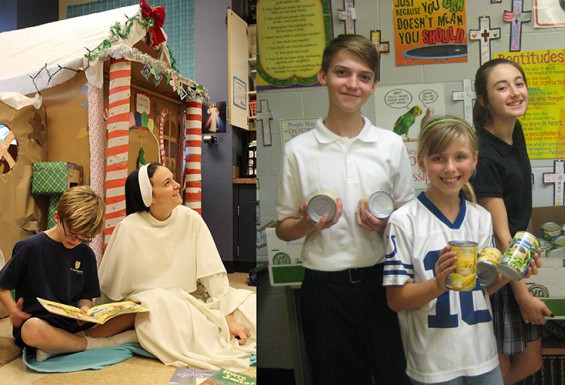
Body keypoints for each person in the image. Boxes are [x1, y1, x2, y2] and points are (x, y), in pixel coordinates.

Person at [274, 34, 414, 385]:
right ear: (323, 76)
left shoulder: (390, 145)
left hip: (382, 283)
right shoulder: (298, 150)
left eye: (364, 76)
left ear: (374, 86)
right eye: (342, 73)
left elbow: (409, 221)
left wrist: (383, 225)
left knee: (394, 376)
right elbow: (283, 227)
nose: (352, 84)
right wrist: (308, 223)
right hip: (324, 291)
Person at [383, 116, 538, 385]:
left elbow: (481, 289)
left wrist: (514, 271)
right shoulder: (404, 220)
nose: (450, 168)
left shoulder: (481, 217)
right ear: (422, 163)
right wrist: (439, 284)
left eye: (460, 157)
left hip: (482, 357)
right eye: (439, 158)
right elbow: (396, 300)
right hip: (433, 364)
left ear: (475, 160)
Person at [99, 163, 256, 371]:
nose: (177, 185)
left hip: (192, 301)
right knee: (156, 301)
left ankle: (138, 335)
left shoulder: (190, 219)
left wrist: (226, 318)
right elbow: (110, 292)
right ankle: (125, 335)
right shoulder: (128, 229)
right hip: (154, 308)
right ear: (150, 196)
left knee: (252, 305)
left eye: (173, 179)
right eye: (167, 183)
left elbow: (214, 279)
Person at [468, 58, 550, 384]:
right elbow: (500, 234)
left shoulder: (515, 133)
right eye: (502, 87)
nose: (515, 92)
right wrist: (523, 295)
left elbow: (519, 216)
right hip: (497, 271)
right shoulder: (483, 154)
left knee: (529, 362)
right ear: (485, 101)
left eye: (519, 83)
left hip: (516, 262)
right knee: (499, 367)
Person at [0, 186, 138, 362]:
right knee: (32, 330)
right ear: (57, 217)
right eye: (73, 234)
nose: (76, 241)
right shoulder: (29, 247)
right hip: (39, 323)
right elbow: (3, 285)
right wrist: (12, 310)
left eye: (84, 238)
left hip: (71, 325)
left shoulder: (86, 254)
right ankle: (92, 344)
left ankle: (60, 346)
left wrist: (85, 310)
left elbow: (86, 296)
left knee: (132, 314)